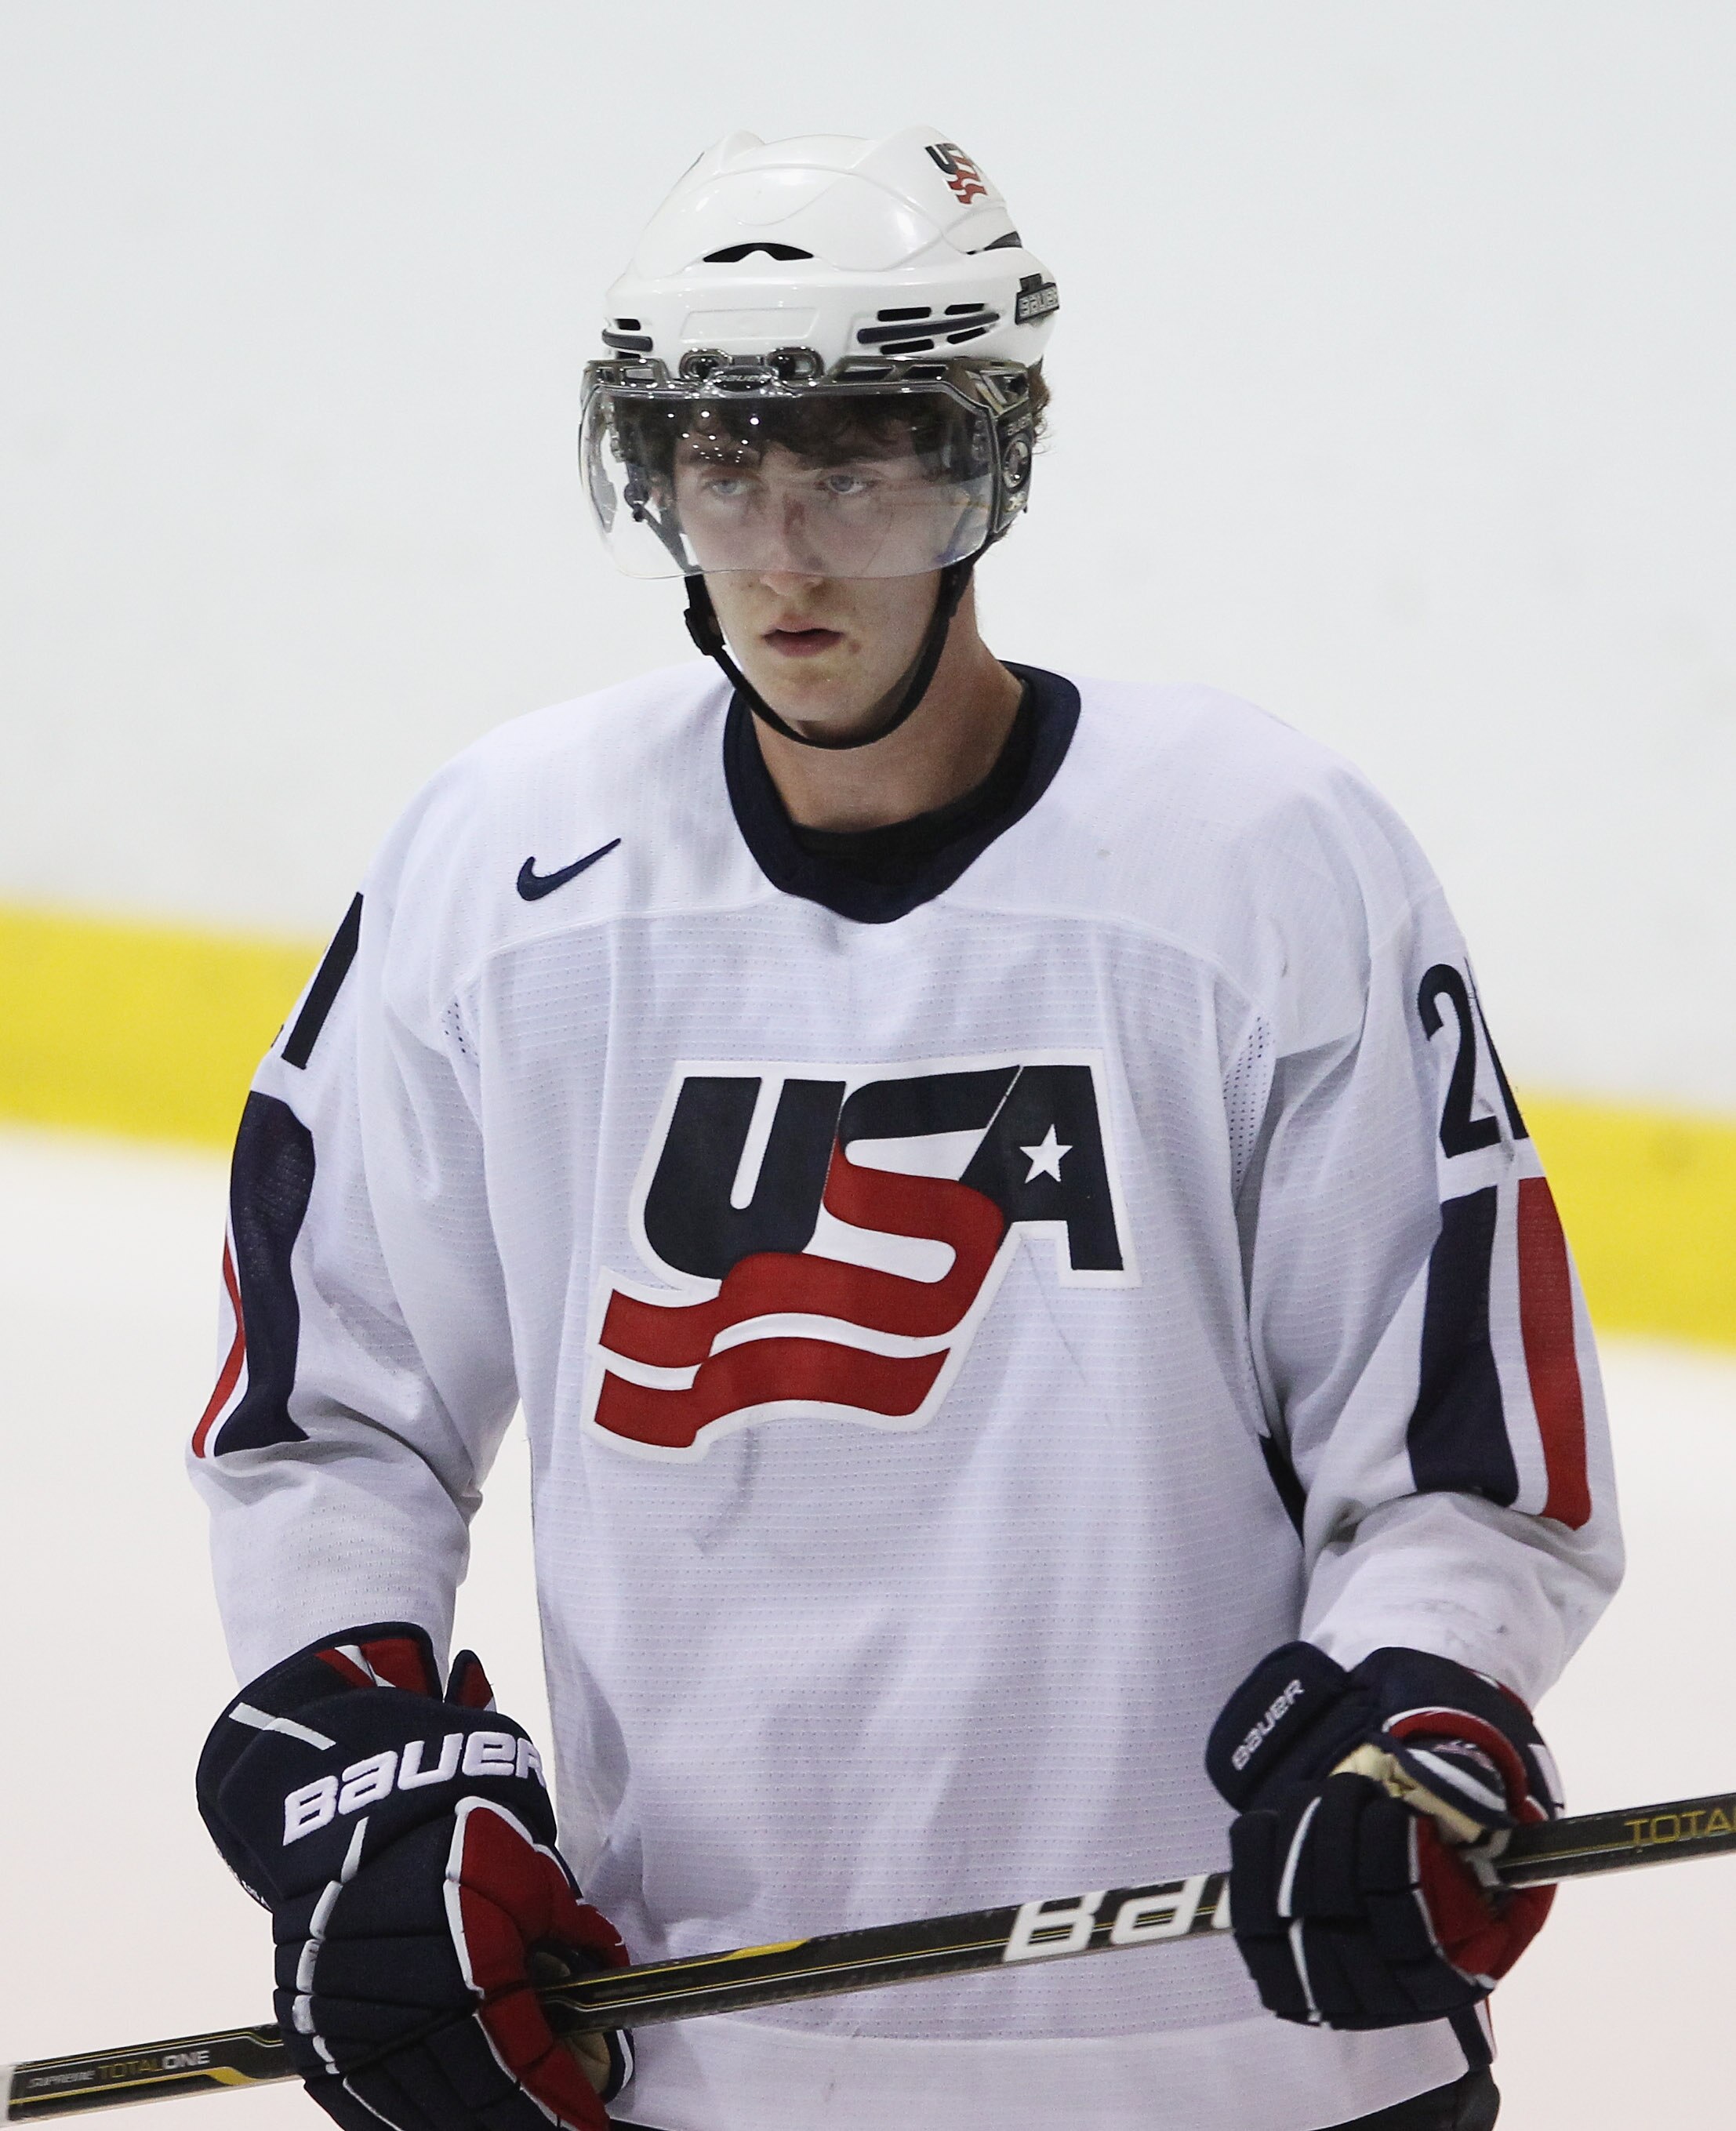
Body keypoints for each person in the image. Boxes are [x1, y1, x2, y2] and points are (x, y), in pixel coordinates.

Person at [188, 127, 1622, 2131]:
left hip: (1252, 2064)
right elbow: (333, 1412)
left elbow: (1466, 1440)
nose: (782, 552)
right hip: (699, 2056)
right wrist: (356, 1772)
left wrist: (1425, 1699)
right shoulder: (504, 869)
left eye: (860, 468)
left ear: (991, 464)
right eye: (715, 466)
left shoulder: (1255, 859)